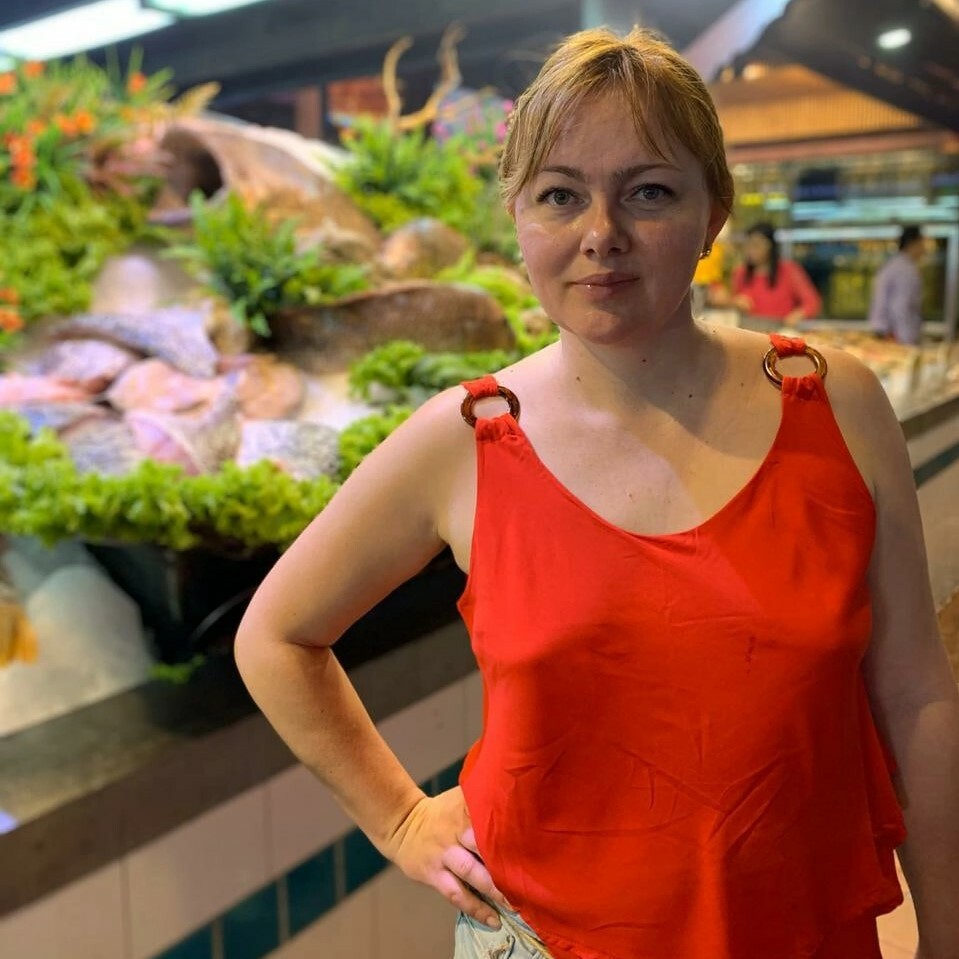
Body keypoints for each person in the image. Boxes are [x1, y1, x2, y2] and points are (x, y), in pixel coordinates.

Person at [234, 27, 959, 959]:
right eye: (560, 195)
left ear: (713, 213)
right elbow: (276, 636)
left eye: (648, 191)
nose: (600, 234)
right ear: (517, 217)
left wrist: (947, 931)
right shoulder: (465, 440)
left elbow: (914, 693)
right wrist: (400, 818)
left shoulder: (832, 400)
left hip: (802, 931)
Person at [730, 221, 822, 326]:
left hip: (782, 330)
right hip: (750, 329)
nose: (751, 251)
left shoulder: (789, 270)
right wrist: (736, 302)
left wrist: (798, 314)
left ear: (770, 246)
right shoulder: (740, 273)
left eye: (756, 245)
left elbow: (812, 303)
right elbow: (734, 302)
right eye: (748, 246)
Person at [869, 225, 926, 346]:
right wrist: (907, 340)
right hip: (894, 335)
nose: (924, 249)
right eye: (922, 243)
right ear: (913, 243)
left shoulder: (890, 265)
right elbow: (900, 307)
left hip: (883, 332)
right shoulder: (907, 270)